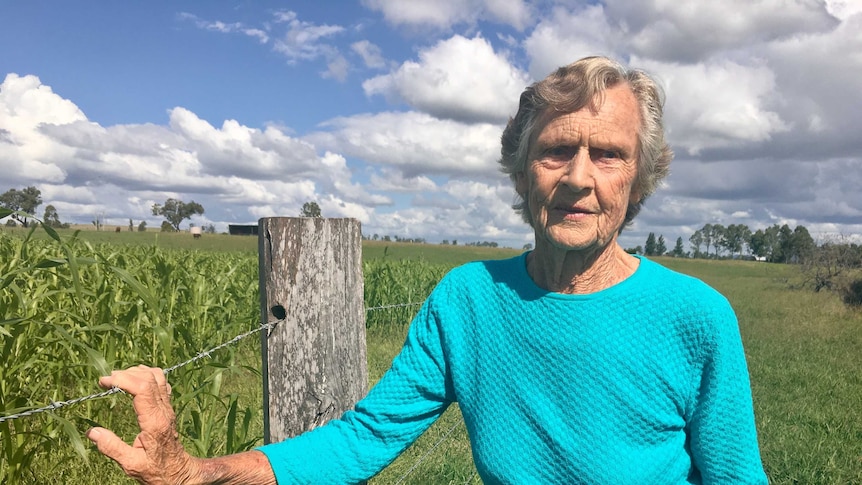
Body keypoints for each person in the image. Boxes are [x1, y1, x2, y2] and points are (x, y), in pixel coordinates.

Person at [87, 56, 768, 484]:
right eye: (557, 150)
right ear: (522, 169)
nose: (580, 177)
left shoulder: (696, 316)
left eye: (610, 154)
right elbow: (364, 437)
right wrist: (195, 473)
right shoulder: (469, 300)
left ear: (639, 178)